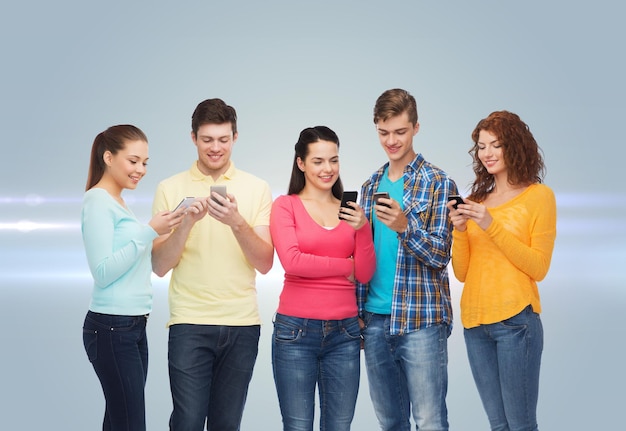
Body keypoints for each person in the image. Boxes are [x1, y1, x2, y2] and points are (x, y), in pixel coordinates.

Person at [151, 98, 274, 431]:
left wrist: (236, 222)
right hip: (189, 322)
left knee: (226, 424)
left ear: (235, 137)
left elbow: (265, 263)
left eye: (223, 139)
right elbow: (160, 266)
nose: (215, 147)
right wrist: (187, 224)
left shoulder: (257, 188)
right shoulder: (169, 187)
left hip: (242, 324)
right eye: (207, 139)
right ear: (193, 138)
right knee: (187, 422)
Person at [446, 111, 556, 431]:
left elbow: (538, 267)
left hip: (516, 323)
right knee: (498, 426)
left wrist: (490, 225)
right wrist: (460, 229)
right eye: (482, 146)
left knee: (520, 425)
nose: (488, 153)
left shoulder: (539, 197)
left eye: (496, 144)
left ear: (515, 146)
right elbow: (464, 273)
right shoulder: (475, 201)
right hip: (476, 326)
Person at [356, 89, 458, 431]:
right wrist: (357, 313)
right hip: (374, 320)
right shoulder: (370, 186)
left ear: (415, 128)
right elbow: (363, 253)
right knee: (389, 422)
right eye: (384, 133)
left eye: (400, 132)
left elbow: (441, 255)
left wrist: (405, 227)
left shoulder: (439, 183)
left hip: (421, 320)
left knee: (429, 421)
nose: (391, 141)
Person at [270, 126, 376, 431]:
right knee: (298, 426)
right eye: (318, 161)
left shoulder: (351, 212)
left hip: (345, 334)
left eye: (333, 160)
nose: (327, 169)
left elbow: (365, 273)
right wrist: (344, 266)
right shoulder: (285, 206)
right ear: (301, 163)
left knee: (340, 426)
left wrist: (364, 227)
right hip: (295, 333)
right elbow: (292, 262)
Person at [81, 125, 184, 431]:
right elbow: (102, 272)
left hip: (132, 325)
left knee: (119, 421)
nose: (141, 170)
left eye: (145, 163)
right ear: (109, 157)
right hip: (111, 328)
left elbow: (141, 259)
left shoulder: (118, 203)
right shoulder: (98, 201)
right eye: (134, 161)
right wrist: (149, 230)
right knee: (129, 423)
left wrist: (175, 226)